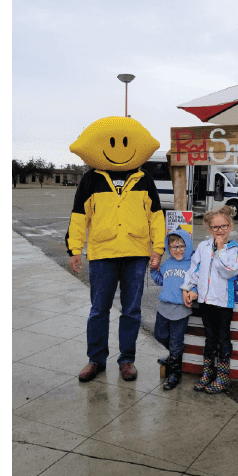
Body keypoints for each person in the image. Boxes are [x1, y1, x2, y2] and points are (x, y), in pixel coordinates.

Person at [65, 116, 165, 383]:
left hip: (135, 255)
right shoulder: (91, 180)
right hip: (102, 255)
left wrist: (158, 248)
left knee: (131, 311)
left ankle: (127, 360)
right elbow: (78, 217)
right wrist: (75, 249)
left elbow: (156, 216)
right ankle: (96, 359)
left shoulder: (144, 179)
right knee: (99, 310)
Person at [181, 206, 238, 394]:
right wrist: (188, 287)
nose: (220, 231)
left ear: (230, 226)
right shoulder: (203, 247)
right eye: (215, 227)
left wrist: (221, 250)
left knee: (223, 338)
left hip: (223, 303)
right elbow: (195, 269)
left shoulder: (233, 249)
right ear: (209, 228)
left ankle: (222, 378)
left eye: (224, 226)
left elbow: (229, 271)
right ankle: (207, 374)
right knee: (209, 338)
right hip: (206, 302)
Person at [150, 228, 194, 391]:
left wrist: (193, 292)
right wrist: (154, 270)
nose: (178, 250)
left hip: (181, 309)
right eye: (174, 247)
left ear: (187, 245)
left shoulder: (191, 264)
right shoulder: (167, 263)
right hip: (164, 307)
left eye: (182, 246)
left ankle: (175, 374)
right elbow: (160, 281)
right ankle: (172, 356)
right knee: (159, 334)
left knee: (176, 342)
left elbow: (197, 283)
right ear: (169, 248)